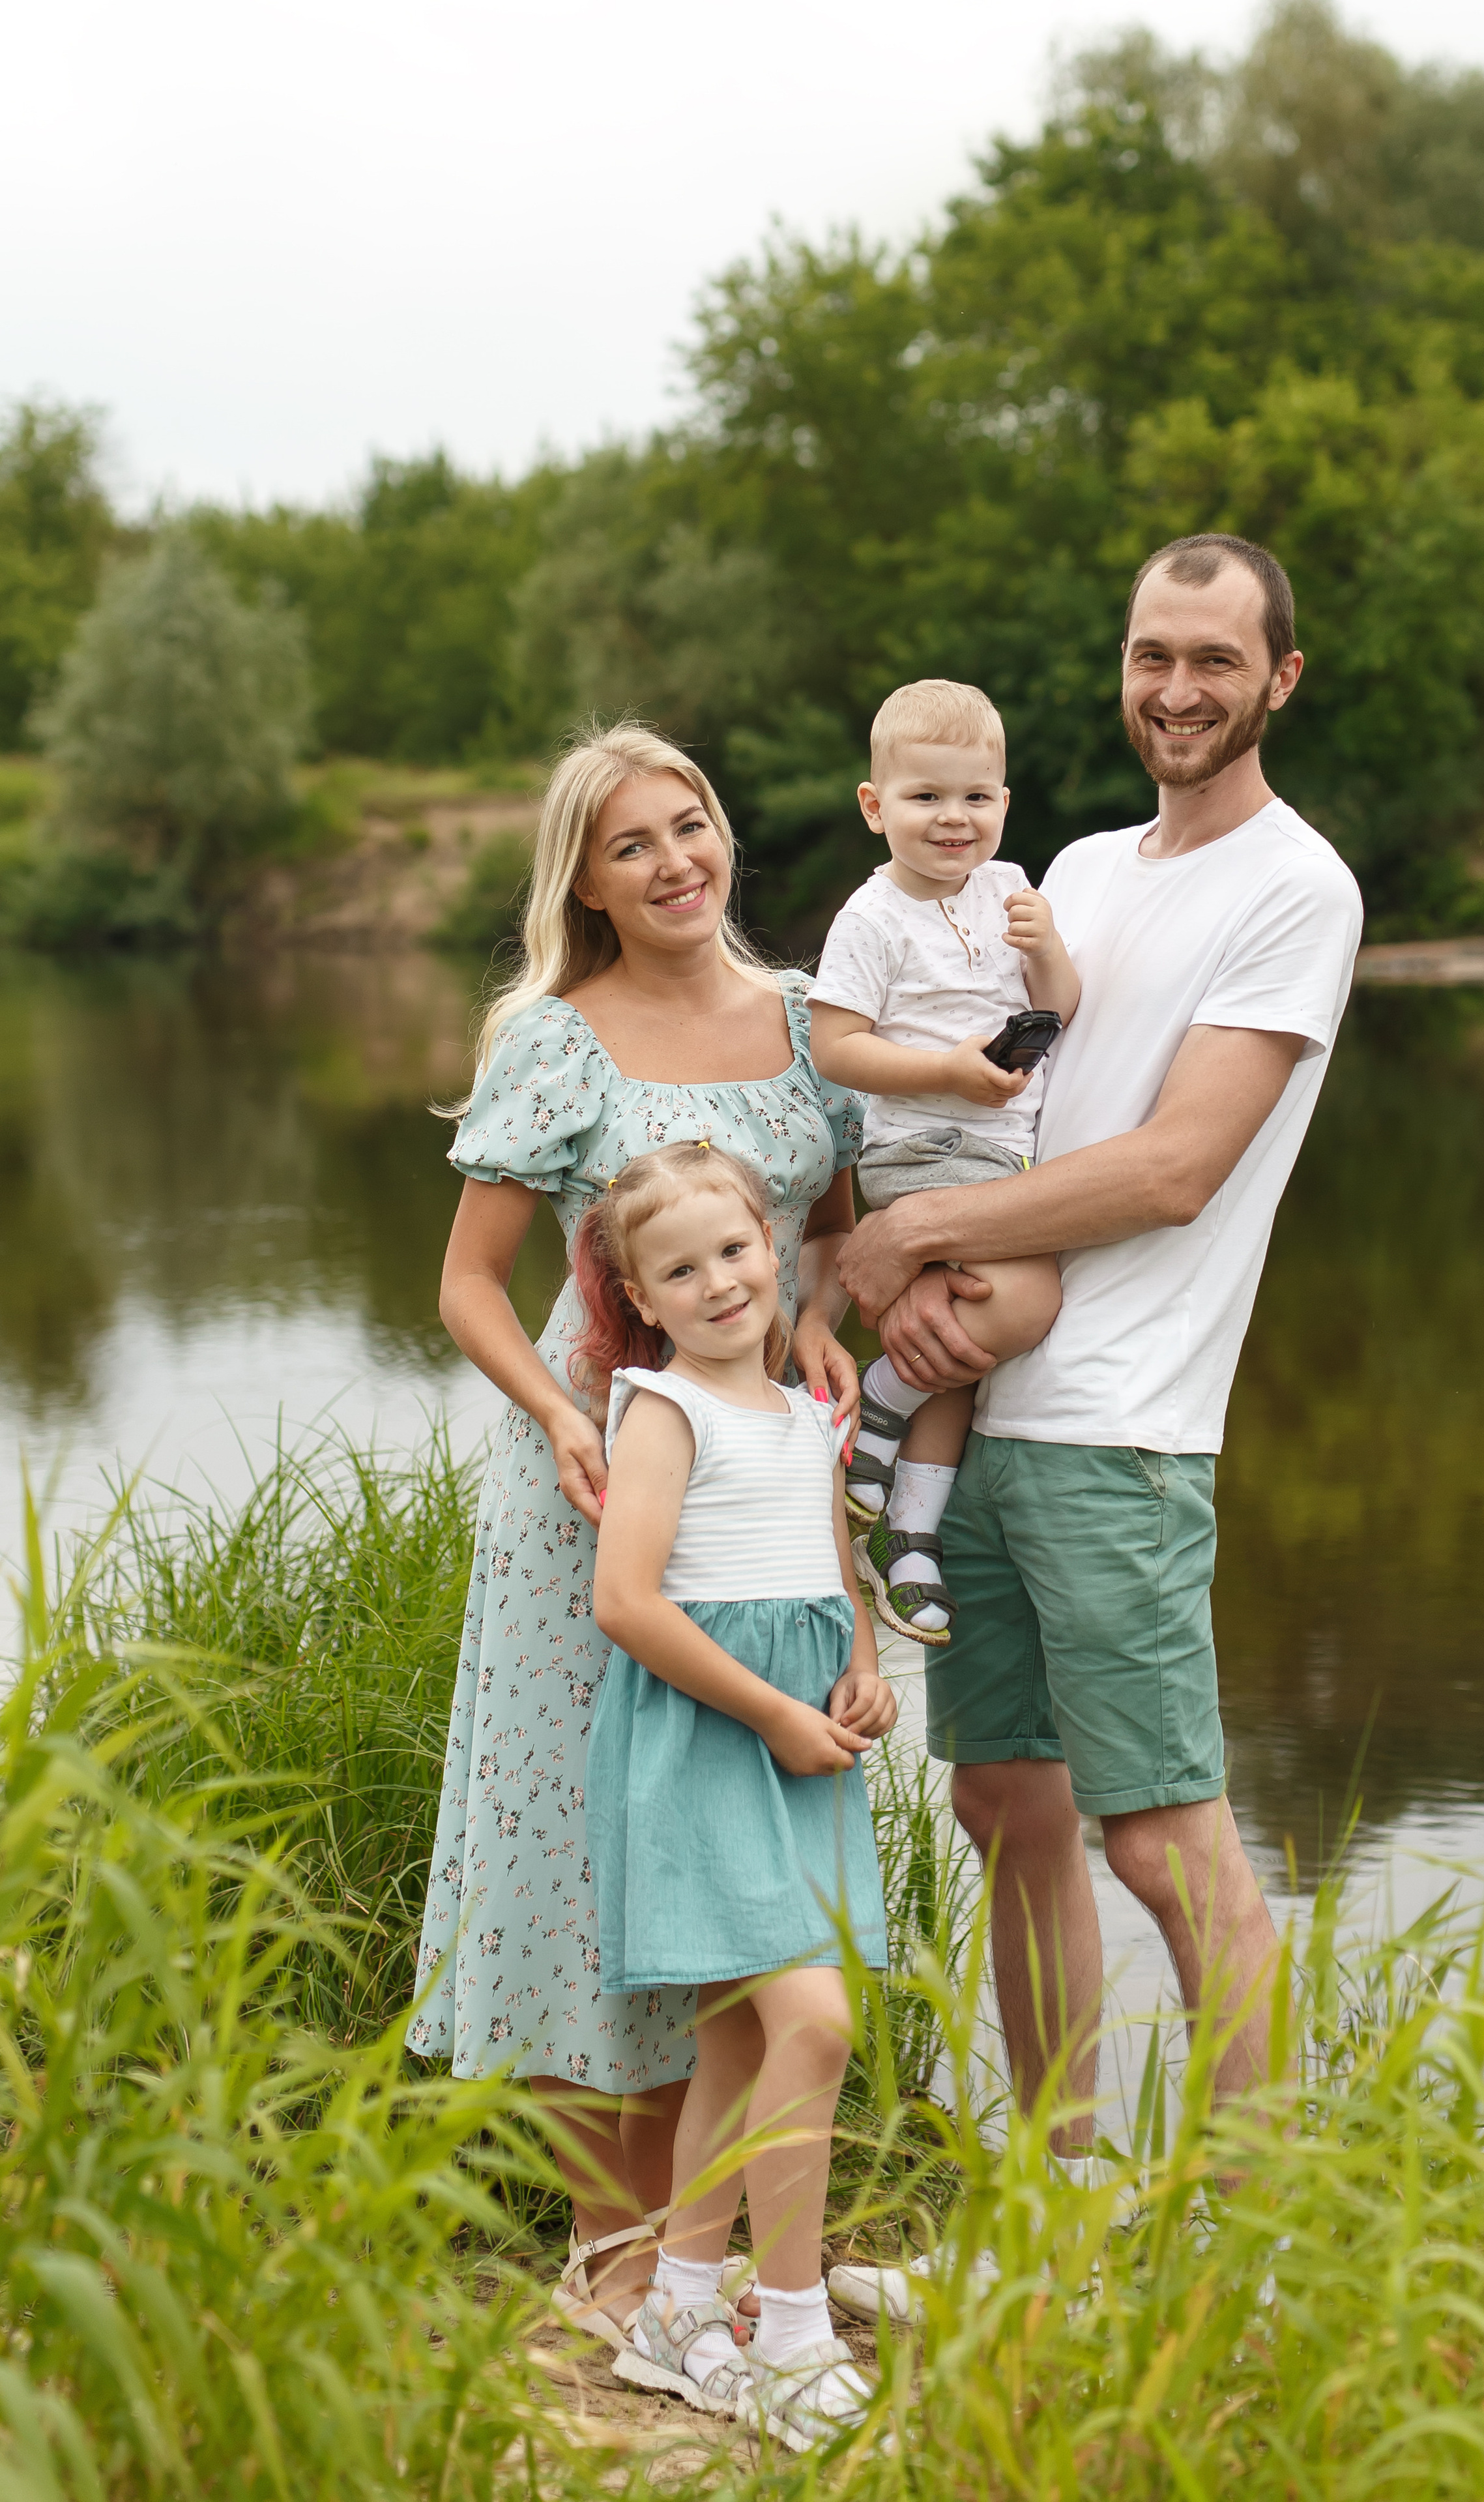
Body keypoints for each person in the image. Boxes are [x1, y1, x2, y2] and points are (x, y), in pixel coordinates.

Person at [834, 533, 1363, 2185]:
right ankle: (1058, 2188)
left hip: (1123, 1421)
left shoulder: (1296, 884)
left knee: (1158, 1830)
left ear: (1277, 678)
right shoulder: (1061, 871)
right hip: (984, 1397)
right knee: (1008, 1806)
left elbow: (1171, 1167)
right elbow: (1008, 1109)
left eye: (1214, 659)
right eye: (1152, 654)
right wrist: (915, 1276)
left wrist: (913, 1250)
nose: (1177, 689)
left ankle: (1249, 2221)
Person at [405, 726, 865, 2344]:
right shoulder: (557, 1038)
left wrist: (825, 1321)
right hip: (599, 1497)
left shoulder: (813, 1022)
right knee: (584, 1859)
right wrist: (556, 1408)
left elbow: (831, 1242)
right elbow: (467, 1283)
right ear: (583, 883)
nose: (675, 863)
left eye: (693, 826)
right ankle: (613, 2254)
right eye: (630, 847)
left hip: (767, 1495)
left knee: (742, 1839)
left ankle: (706, 2246)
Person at [577, 1138, 894, 2448]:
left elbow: (828, 1548)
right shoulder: (663, 1409)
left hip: (800, 1732)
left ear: (773, 1246)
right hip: (710, 1737)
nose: (718, 1281)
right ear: (641, 1297)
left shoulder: (805, 1405)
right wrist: (767, 1708)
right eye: (680, 1267)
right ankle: (793, 2319)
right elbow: (624, 1598)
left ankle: (677, 2310)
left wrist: (862, 1659)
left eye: (735, 1248)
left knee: (743, 2035)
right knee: (813, 2018)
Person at [808, 679, 1081, 1643]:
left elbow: (1065, 1006)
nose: (953, 819)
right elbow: (835, 1046)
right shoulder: (872, 918)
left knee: (956, 1355)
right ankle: (877, 1405)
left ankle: (910, 1537)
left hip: (1002, 1148)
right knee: (1023, 1304)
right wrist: (947, 1074)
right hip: (923, 1148)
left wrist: (1048, 955)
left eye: (976, 796)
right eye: (925, 797)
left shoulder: (1013, 890)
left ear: (1005, 803)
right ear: (877, 807)